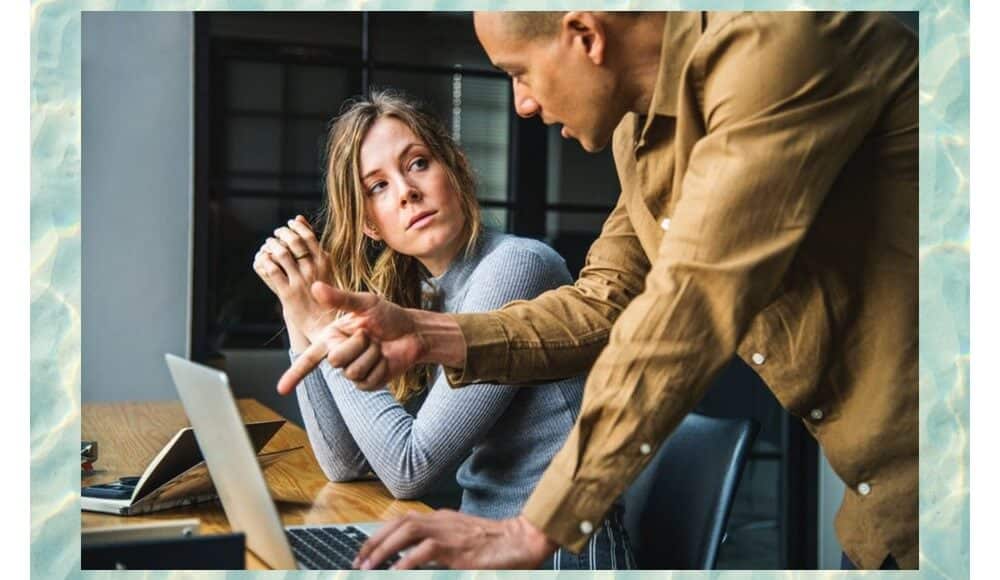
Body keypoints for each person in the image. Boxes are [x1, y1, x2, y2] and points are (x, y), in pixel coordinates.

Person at [281, 12, 918, 570]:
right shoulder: (638, 135)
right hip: (879, 511)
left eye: (519, 71)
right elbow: (603, 303)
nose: (522, 103)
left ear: (584, 35)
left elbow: (688, 307)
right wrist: (422, 334)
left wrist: (539, 527)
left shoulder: (774, 46)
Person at [252, 90, 635, 570]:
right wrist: (297, 310)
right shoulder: (430, 291)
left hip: (560, 557)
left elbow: (408, 468)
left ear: (456, 169)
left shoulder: (515, 267)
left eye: (417, 164)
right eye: (378, 187)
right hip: (481, 549)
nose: (406, 192)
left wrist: (324, 325)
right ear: (371, 225)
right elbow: (344, 465)